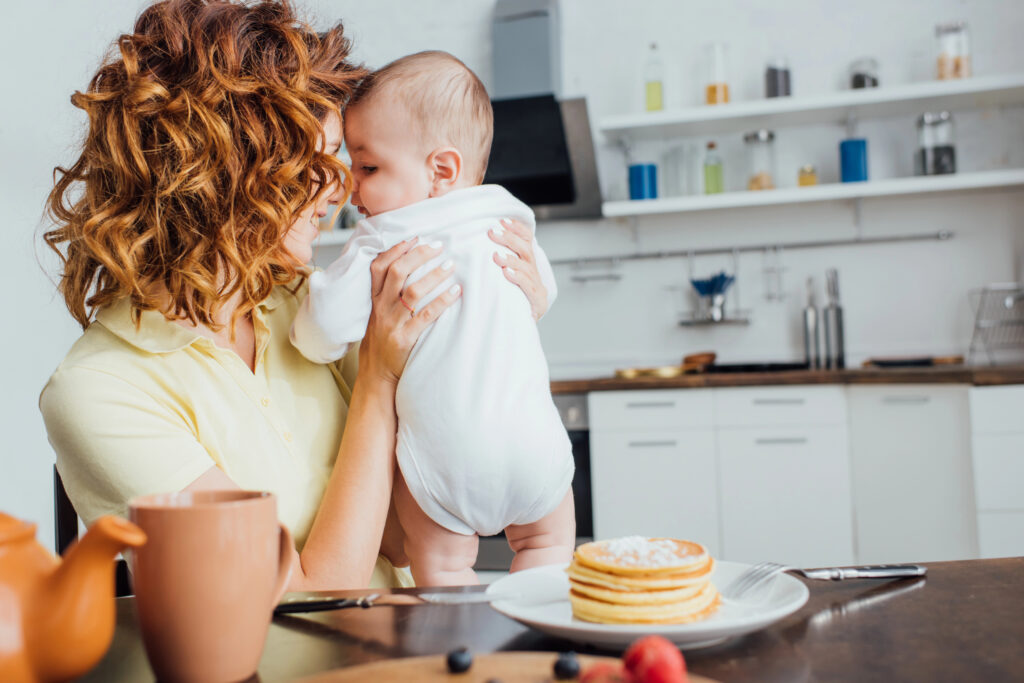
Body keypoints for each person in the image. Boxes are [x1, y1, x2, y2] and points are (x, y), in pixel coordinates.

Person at [38, 0, 551, 591]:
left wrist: (497, 312)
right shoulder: (102, 393)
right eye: (315, 162)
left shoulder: (306, 306)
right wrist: (378, 381)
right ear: (223, 171)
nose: (340, 189)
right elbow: (304, 595)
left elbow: (410, 533)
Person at [289, 51, 575, 587]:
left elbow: (320, 333)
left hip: (449, 459)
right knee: (548, 547)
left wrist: (310, 306)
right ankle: (538, 631)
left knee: (444, 570)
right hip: (536, 448)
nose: (352, 188)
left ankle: (465, 653)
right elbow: (541, 293)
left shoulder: (386, 237)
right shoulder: (508, 214)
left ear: (441, 171)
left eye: (368, 167)